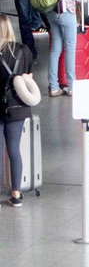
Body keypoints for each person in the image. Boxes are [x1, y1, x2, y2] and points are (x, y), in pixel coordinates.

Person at [0, 13, 35, 208]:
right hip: (17, 107)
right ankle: (16, 193)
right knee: (14, 149)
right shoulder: (23, 51)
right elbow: (28, 80)